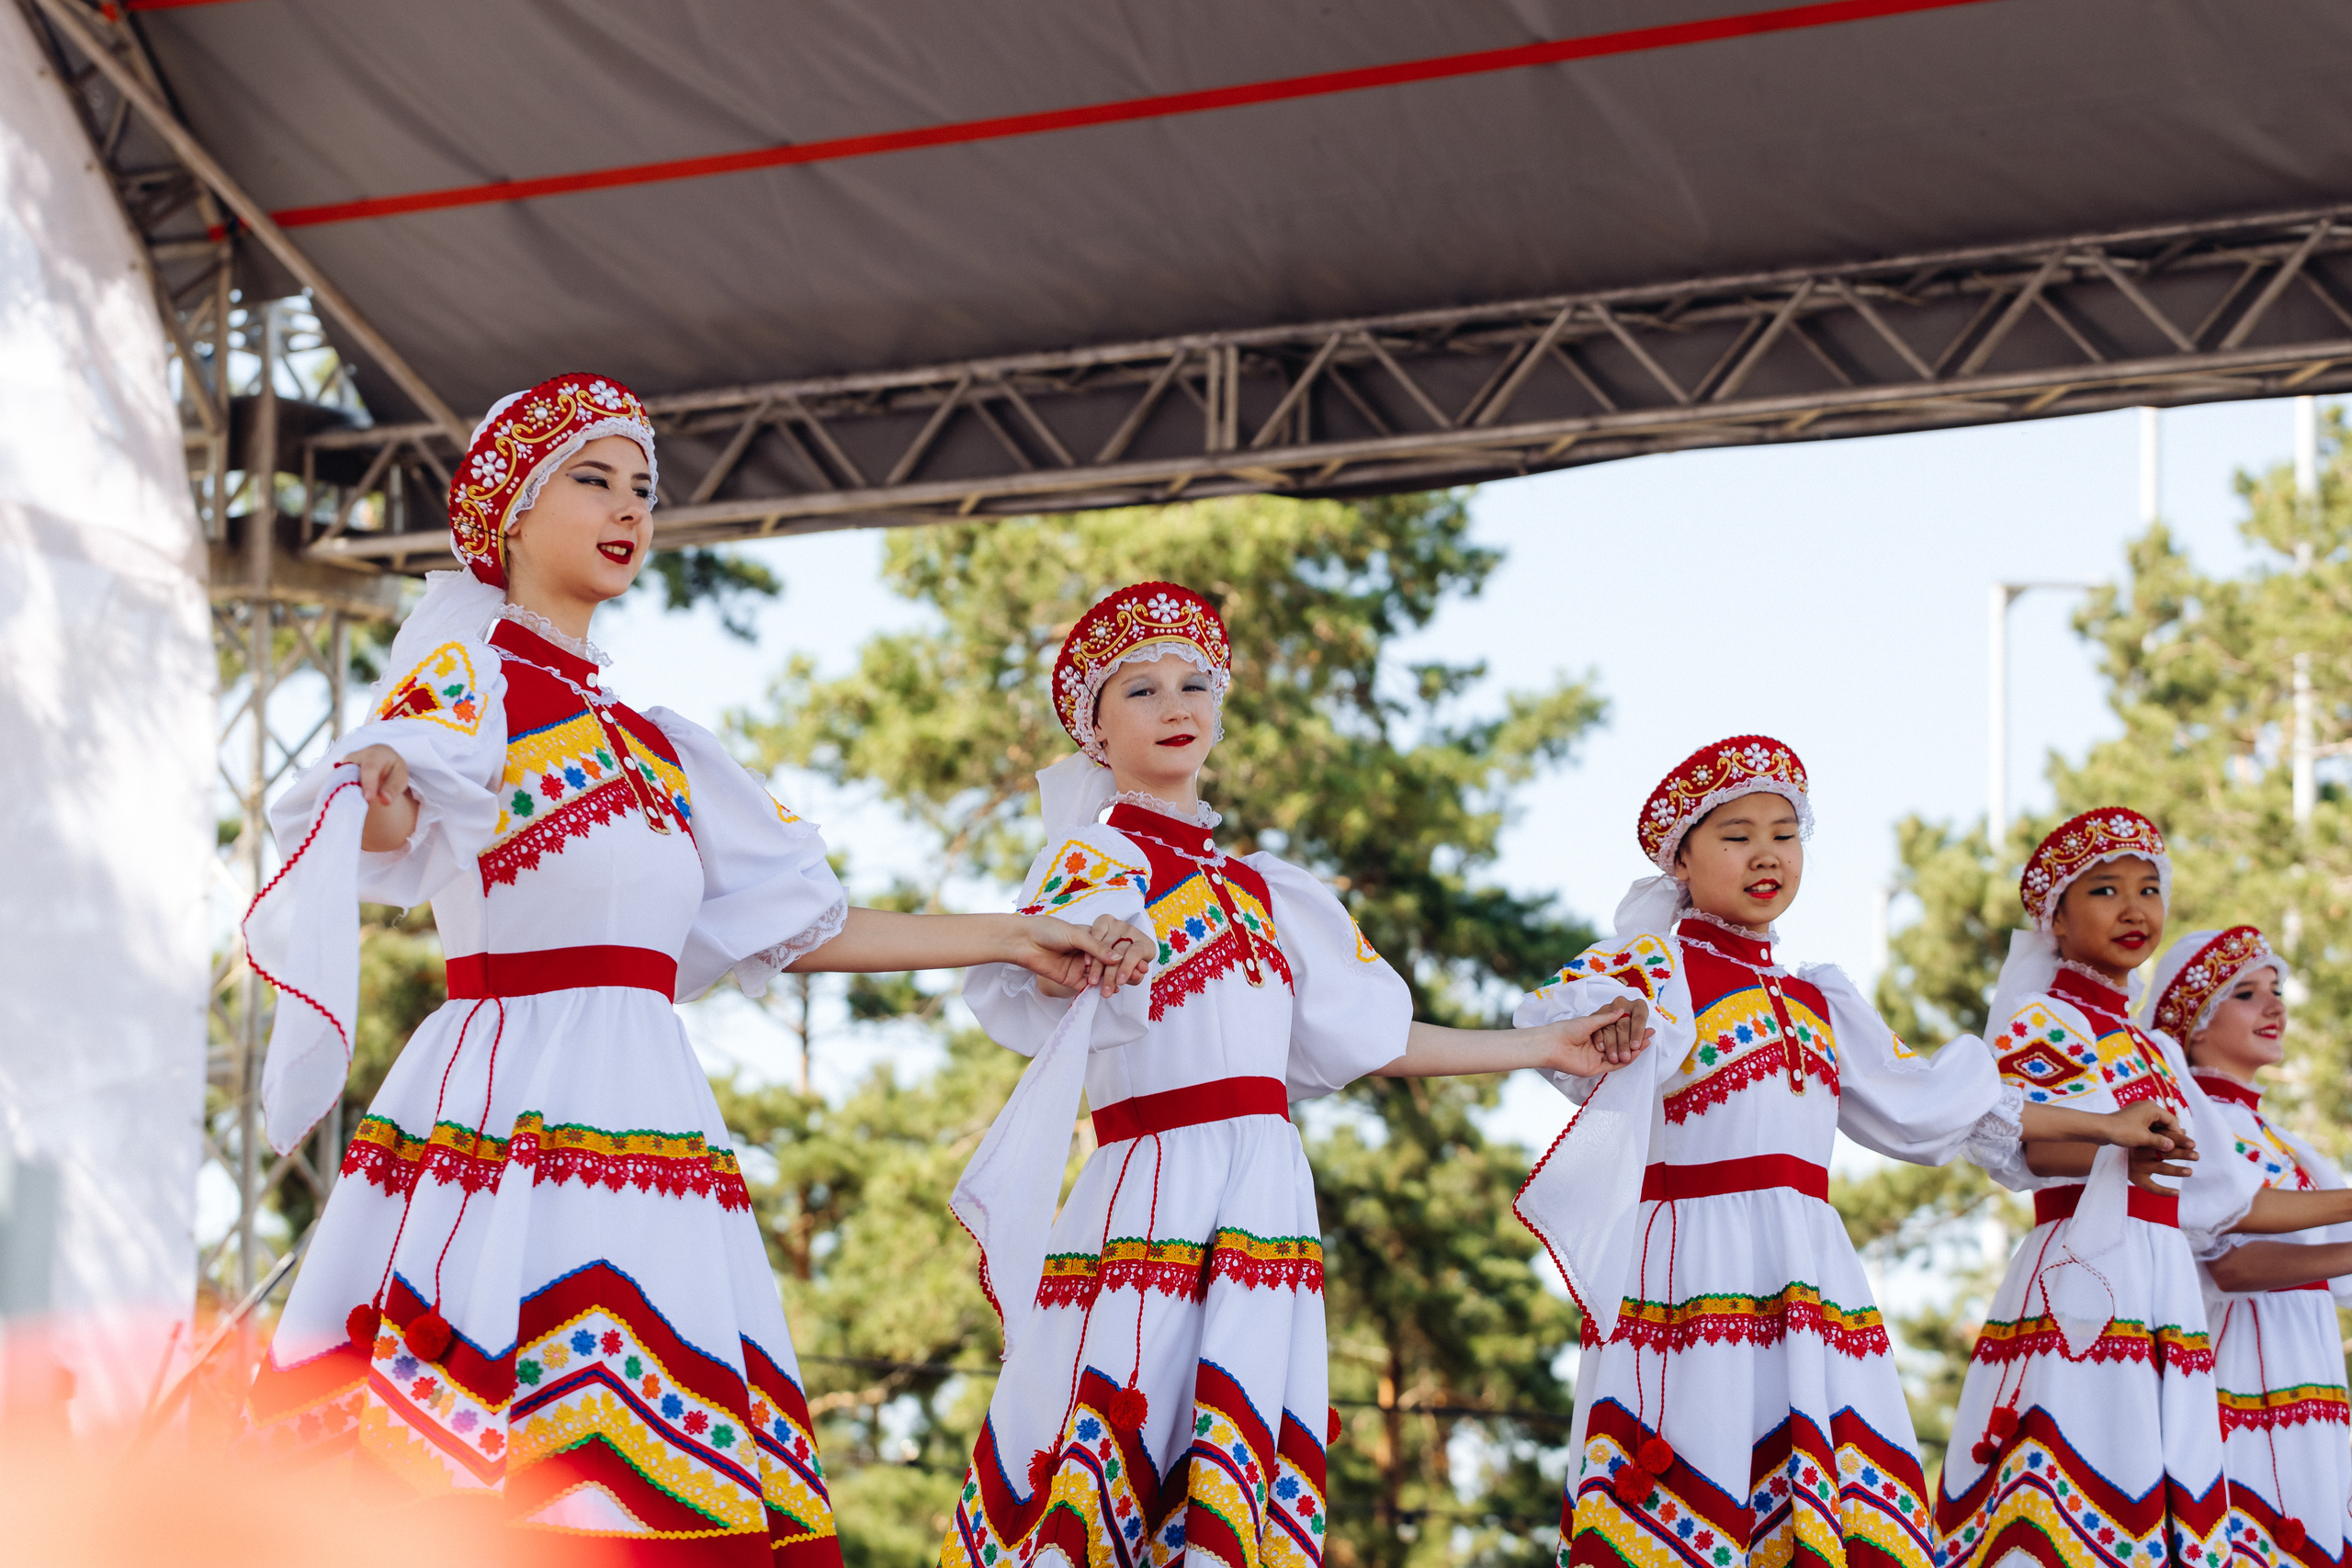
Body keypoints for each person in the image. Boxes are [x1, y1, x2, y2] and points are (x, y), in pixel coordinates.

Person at [238, 374, 1150, 1563]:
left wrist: (1016, 932)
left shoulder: (662, 747)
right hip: (509, 1112)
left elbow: (804, 925)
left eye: (645, 488)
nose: (631, 507)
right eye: (594, 477)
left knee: (649, 1465)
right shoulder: (468, 686)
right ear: (508, 511)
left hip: (648, 1114)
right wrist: (384, 810)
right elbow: (392, 821)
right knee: (499, 1459)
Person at [935, 582, 1652, 1568]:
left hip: (1263, 1193)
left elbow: (1380, 1038)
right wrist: (1100, 943)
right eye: (1138, 690)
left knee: (1235, 1462)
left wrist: (1541, 1047)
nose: (1176, 705)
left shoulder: (1273, 893)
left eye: (1195, 683)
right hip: (1154, 1187)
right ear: (1093, 730)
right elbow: (1040, 970)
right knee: (1123, 1445)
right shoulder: (1094, 859)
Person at [1511, 741, 2184, 1568]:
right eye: (1736, 835)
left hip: (1807, 1273)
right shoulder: (1655, 971)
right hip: (1694, 1269)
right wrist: (1613, 1018)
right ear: (1681, 858)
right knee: (1696, 1490)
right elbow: (1552, 1024)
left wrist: (2109, 1128)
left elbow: (1948, 1108)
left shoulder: (1817, 998)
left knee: (1827, 1511)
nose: (1767, 854)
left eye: (1785, 834)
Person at [1937, 811, 2352, 1568]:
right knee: (2077, 1486)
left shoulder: (2155, 1048)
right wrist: (2110, 1134)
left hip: (2161, 1284)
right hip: (2086, 1267)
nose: (2134, 908)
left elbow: (2233, 1205)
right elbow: (2018, 1140)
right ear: (2056, 918)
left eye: (2149, 888)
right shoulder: (2046, 1019)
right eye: (2105, 890)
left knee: (2158, 1506)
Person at [2153, 926, 2352, 1567]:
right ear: (2196, 1025)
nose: (2276, 1007)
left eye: (2277, 990)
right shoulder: (2196, 1125)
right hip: (2241, 1375)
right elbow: (2231, 1266)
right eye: (2246, 993)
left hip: (2307, 1379)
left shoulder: (2292, 1146)